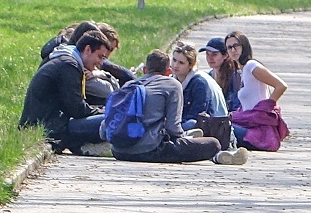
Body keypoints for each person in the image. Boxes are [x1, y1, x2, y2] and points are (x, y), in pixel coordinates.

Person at [100, 49, 249, 164]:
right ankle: (216, 155)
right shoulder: (171, 84)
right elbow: (173, 128)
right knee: (213, 144)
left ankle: (193, 138)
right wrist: (182, 138)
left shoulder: (129, 86)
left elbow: (103, 130)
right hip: (148, 150)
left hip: (118, 151)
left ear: (145, 69)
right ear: (168, 71)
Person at [19, 30, 114, 155]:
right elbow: (77, 109)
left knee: (110, 115)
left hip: (50, 122)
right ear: (87, 49)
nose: (101, 63)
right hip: (51, 127)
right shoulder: (69, 66)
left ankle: (85, 145)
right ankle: (91, 146)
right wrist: (104, 110)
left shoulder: (65, 60)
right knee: (115, 118)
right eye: (100, 56)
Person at [224, 30, 290, 151]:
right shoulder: (241, 72)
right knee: (218, 126)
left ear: (244, 46)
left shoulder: (251, 66)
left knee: (222, 129)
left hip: (259, 132)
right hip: (247, 124)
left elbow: (281, 85)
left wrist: (265, 109)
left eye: (236, 46)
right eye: (229, 48)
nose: (233, 50)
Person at [170, 41, 227, 130]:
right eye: (174, 60)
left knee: (190, 124)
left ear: (191, 65)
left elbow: (198, 115)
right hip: (184, 124)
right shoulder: (172, 79)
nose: (175, 65)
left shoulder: (199, 83)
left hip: (214, 128)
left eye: (181, 63)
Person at [200, 37, 241, 112]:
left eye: (214, 54)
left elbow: (237, 104)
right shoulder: (209, 76)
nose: (210, 58)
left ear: (225, 55)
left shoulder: (235, 76)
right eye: (207, 54)